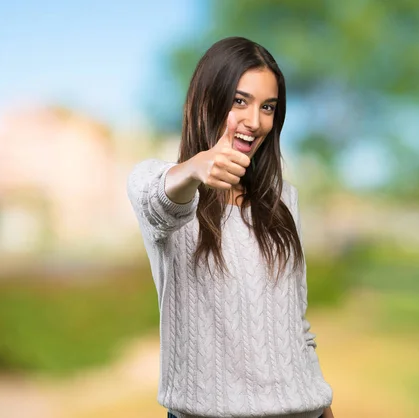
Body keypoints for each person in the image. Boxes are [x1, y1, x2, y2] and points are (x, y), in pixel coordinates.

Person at [127, 36, 334, 418]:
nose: (254, 122)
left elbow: (296, 327)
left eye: (267, 107)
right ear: (206, 100)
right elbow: (157, 198)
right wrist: (194, 169)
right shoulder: (164, 187)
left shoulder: (284, 200)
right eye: (240, 101)